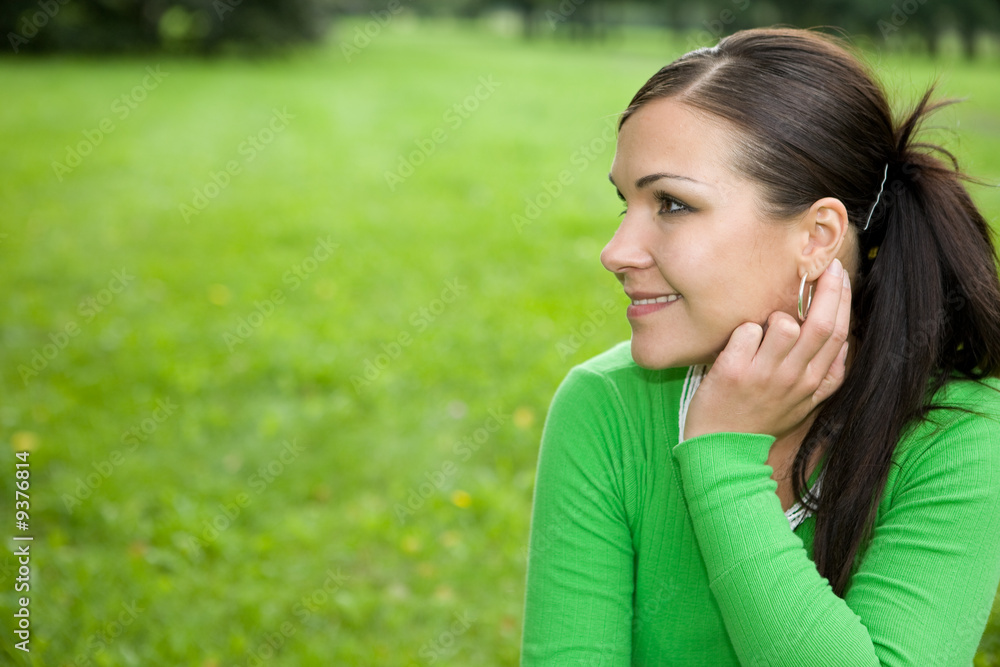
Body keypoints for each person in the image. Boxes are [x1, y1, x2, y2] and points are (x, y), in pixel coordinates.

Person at [520, 27, 1000, 665]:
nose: (616, 253)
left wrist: (722, 461)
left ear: (817, 235)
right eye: (624, 203)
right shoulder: (605, 407)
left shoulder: (963, 436)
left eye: (671, 203)